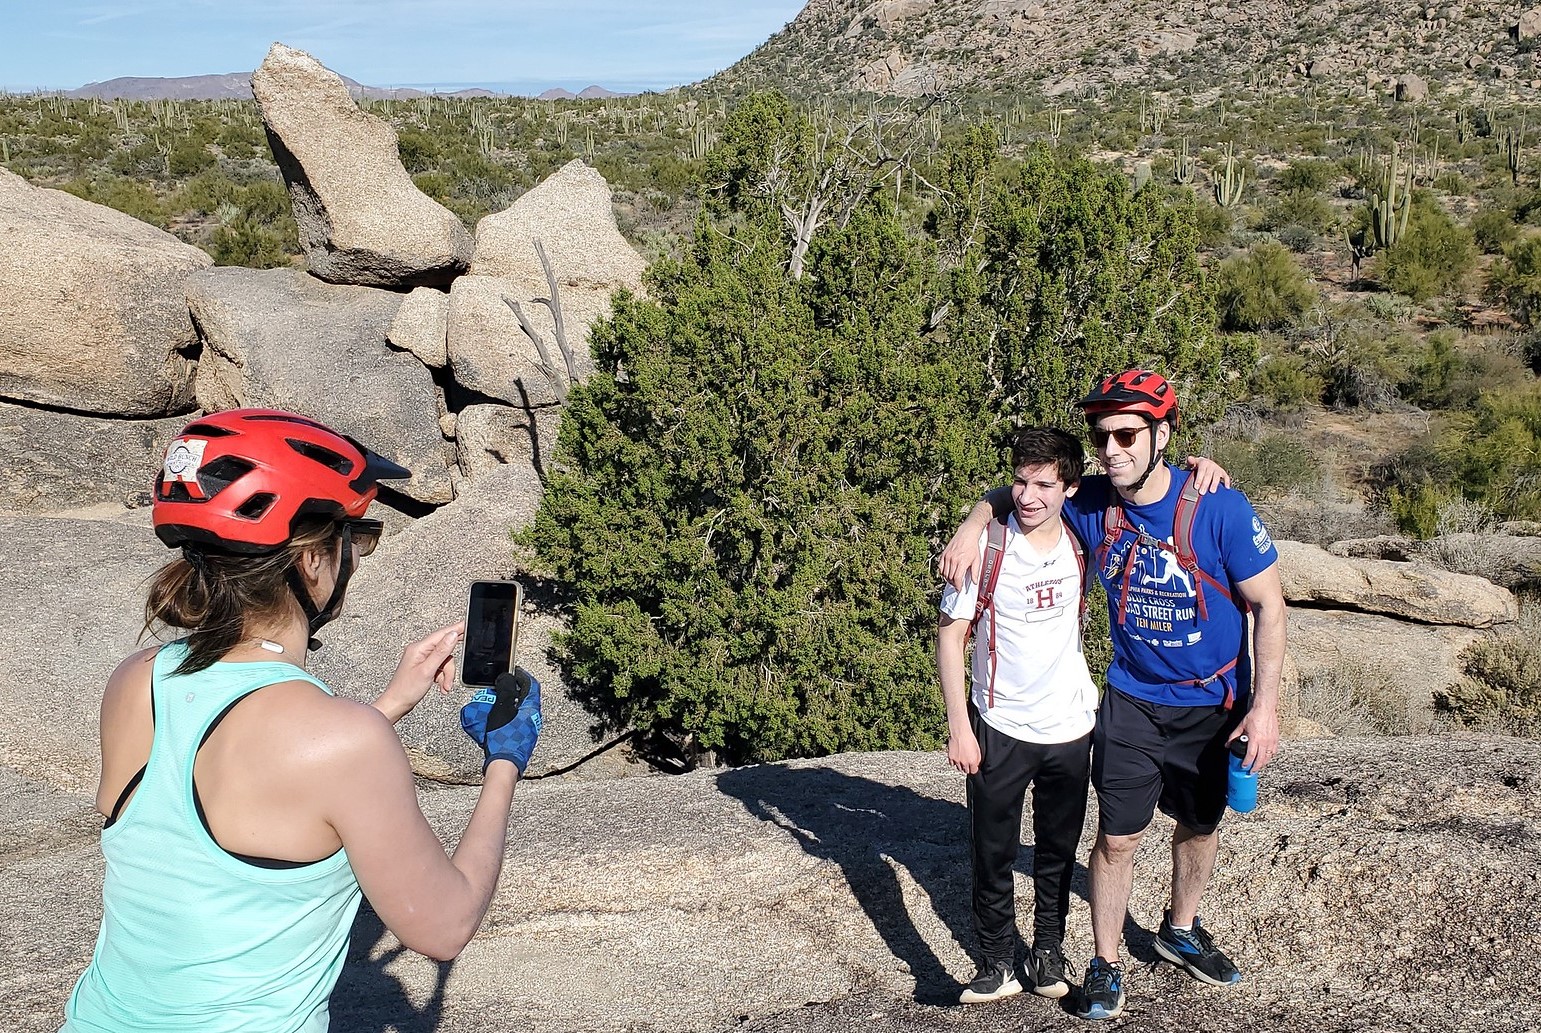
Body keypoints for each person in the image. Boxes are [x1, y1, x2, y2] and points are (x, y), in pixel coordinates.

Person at [61, 408, 543, 1033]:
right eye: (356, 539)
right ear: (313, 557)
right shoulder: (343, 741)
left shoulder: (138, 678)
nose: (354, 559)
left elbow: (239, 790)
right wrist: (503, 761)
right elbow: (446, 926)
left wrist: (391, 704)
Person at [940, 371, 1285, 1022]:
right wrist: (970, 523)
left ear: (1162, 433)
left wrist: (1263, 706)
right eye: (1102, 437)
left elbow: (1269, 604)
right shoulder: (1093, 500)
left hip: (1211, 704)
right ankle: (1104, 961)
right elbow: (1020, 487)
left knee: (1200, 823)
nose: (1112, 449)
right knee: (1117, 837)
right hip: (1129, 699)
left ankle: (1178, 928)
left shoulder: (1218, 505)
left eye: (1127, 434)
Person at [938, 427, 1096, 1005]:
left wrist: (1206, 475)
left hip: (1071, 725)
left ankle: (1049, 949)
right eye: (1021, 482)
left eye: (1045, 485)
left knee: (1057, 848)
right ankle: (997, 957)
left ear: (1070, 489)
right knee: (993, 849)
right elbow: (951, 636)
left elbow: (1144, 492)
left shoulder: (1083, 535)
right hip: (1000, 724)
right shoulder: (986, 547)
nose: (1030, 496)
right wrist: (960, 724)